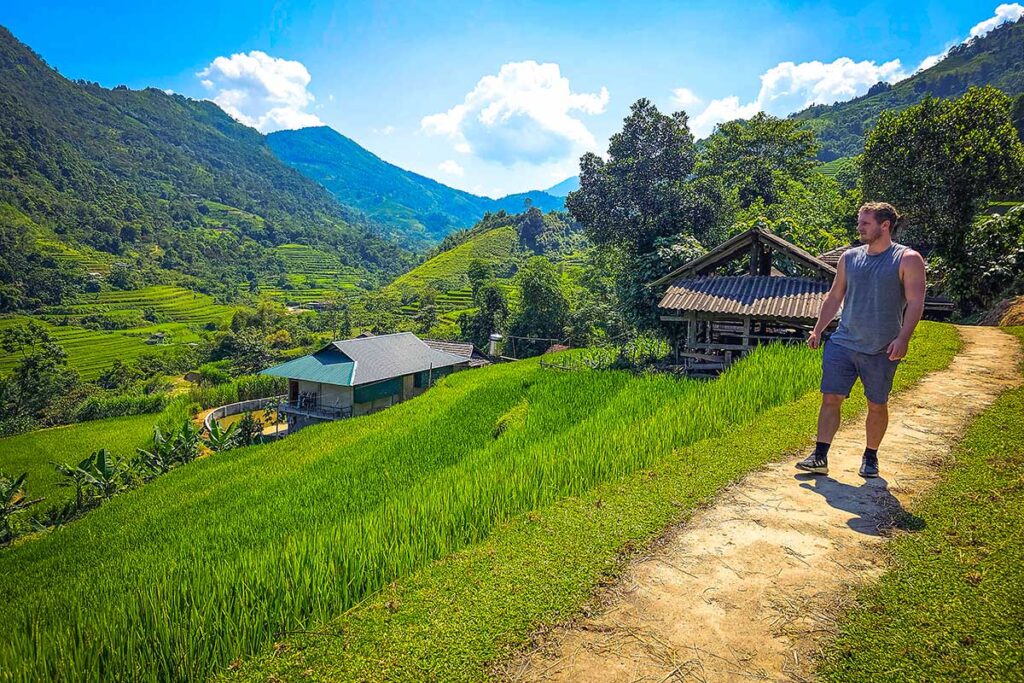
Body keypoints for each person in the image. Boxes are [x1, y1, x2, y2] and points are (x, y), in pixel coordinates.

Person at [796, 202, 927, 478]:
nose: (859, 227)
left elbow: (916, 302)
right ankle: (820, 456)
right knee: (830, 397)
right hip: (843, 342)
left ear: (885, 225)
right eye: (860, 222)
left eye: (865, 223)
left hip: (880, 347)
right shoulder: (849, 258)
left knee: (876, 404)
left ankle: (870, 456)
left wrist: (904, 338)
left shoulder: (907, 259)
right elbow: (835, 296)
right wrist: (818, 329)